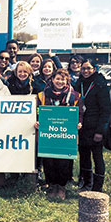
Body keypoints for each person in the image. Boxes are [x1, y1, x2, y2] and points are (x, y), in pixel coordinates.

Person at [36, 69, 83, 199]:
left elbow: (79, 113)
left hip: (65, 136)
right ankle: (51, 185)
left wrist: (79, 123)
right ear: (52, 79)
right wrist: (37, 122)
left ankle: (61, 187)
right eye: (57, 78)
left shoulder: (75, 96)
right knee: (49, 161)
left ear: (67, 81)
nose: (60, 81)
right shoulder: (42, 95)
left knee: (64, 162)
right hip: (48, 134)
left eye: (63, 79)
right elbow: (38, 112)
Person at [74, 58, 110, 192]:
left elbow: (105, 109)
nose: (85, 71)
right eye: (83, 68)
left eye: (88, 68)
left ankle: (97, 186)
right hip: (83, 126)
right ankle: (86, 183)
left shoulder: (100, 84)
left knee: (97, 156)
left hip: (96, 126)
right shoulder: (80, 83)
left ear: (94, 69)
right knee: (84, 155)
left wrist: (100, 131)